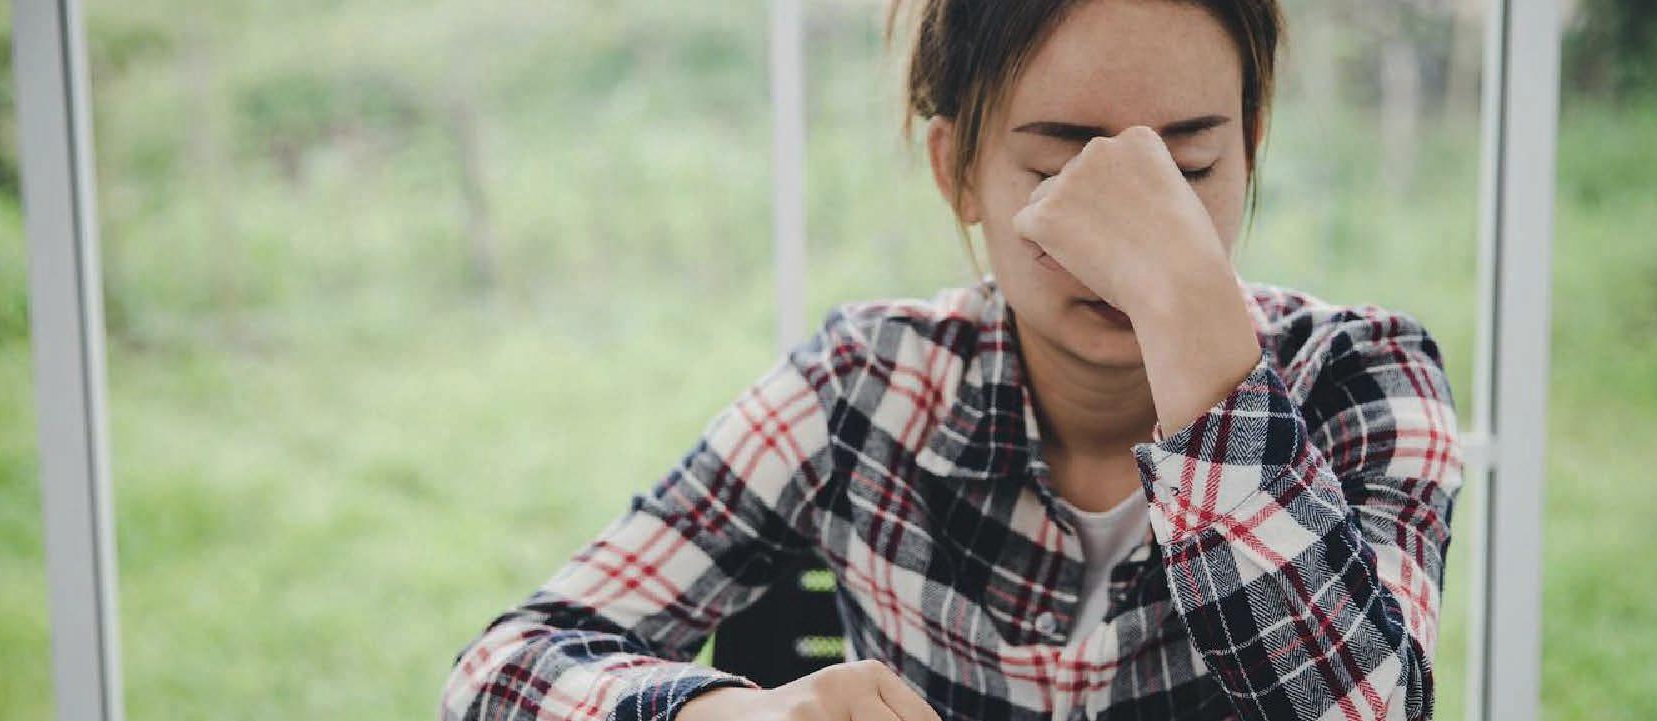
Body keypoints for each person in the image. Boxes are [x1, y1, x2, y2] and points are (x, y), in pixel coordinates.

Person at [440, 0, 1464, 719]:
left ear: (1251, 147)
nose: (1127, 235)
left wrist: (1193, 324)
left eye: (1186, 169)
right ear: (956, 171)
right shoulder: (865, 384)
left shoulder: (1361, 375)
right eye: (1059, 168)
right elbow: (499, 672)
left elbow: (1366, 710)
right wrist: (730, 712)